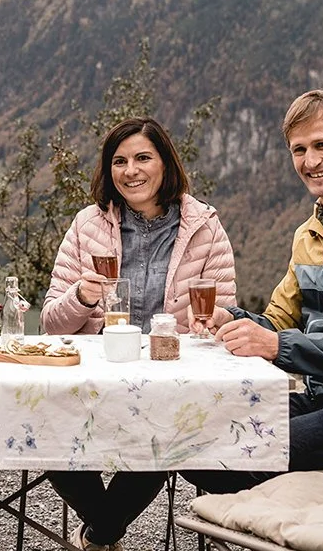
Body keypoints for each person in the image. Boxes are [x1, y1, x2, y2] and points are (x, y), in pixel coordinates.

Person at [183, 89, 323, 494]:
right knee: (195, 437)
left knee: (241, 454)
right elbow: (278, 322)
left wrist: (277, 346)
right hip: (320, 396)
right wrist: (235, 319)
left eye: (322, 145)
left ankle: (311, 525)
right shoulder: (309, 234)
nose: (311, 161)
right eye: (299, 150)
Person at [40, 116, 237, 551]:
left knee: (166, 428)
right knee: (49, 425)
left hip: (170, 381)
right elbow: (51, 323)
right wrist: (82, 297)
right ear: (108, 171)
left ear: (165, 163)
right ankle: (104, 532)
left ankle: (98, 536)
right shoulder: (87, 225)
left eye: (143, 157)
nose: (131, 171)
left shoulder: (204, 226)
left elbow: (222, 314)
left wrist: (211, 321)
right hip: (93, 381)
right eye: (120, 161)